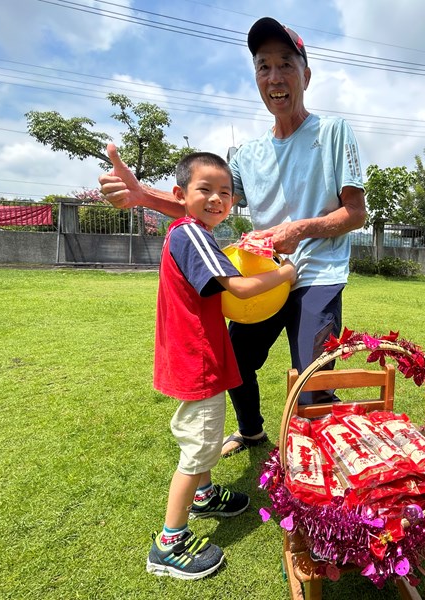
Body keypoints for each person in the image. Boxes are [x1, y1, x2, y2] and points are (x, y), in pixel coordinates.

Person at [99, 17, 366, 457]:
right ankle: (252, 431)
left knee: (312, 376)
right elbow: (206, 209)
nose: (275, 77)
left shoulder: (334, 132)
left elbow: (355, 213)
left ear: (306, 74)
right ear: (257, 78)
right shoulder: (247, 154)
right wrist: (142, 195)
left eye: (285, 64)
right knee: (236, 360)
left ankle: (318, 460)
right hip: (261, 278)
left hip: (317, 272)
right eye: (263, 66)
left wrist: (300, 229)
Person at [146, 151, 296, 580]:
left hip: (199, 353)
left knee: (206, 434)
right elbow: (242, 288)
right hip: (197, 358)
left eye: (225, 193)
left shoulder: (192, 233)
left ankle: (205, 495)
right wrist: (285, 272)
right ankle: (169, 542)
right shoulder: (191, 233)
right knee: (199, 445)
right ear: (181, 195)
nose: (216, 199)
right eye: (204, 190)